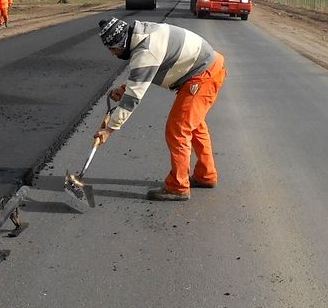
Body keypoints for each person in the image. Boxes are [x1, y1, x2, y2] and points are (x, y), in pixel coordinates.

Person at [95, 17, 228, 201]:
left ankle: (178, 187)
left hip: (202, 76)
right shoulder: (143, 34)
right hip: (208, 68)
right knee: (195, 126)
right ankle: (206, 175)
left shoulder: (145, 50)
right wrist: (124, 89)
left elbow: (133, 98)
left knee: (178, 129)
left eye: (113, 49)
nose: (113, 54)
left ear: (121, 42)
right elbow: (146, 73)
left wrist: (109, 129)